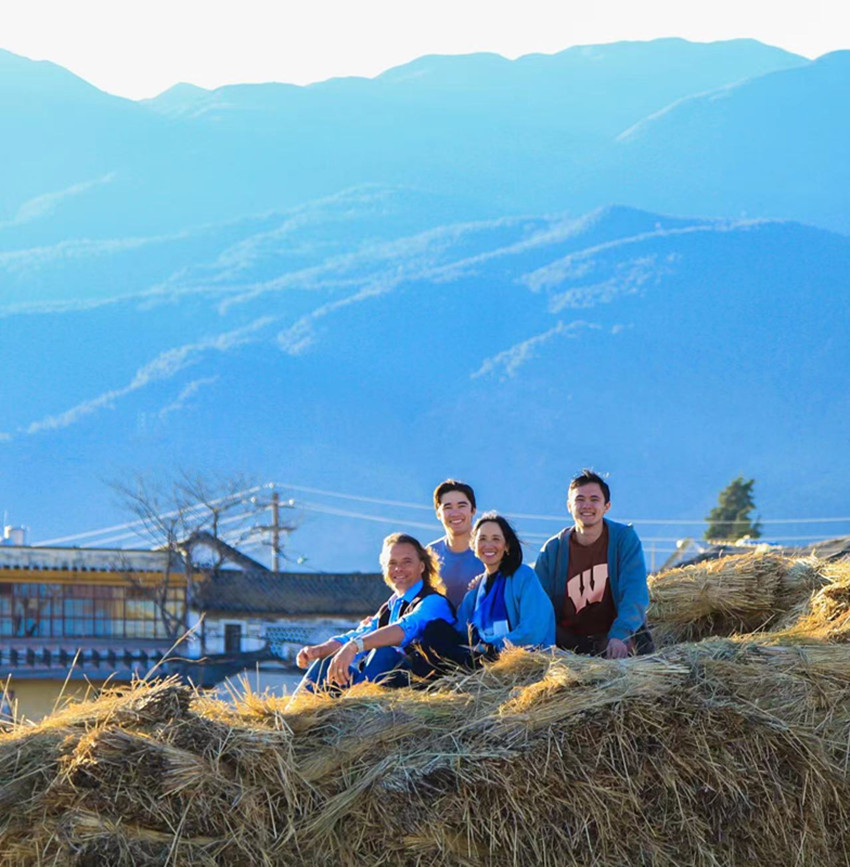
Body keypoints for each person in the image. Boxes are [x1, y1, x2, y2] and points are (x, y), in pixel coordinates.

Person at [293, 533, 455, 694]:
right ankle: (293, 708)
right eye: (392, 563)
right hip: (381, 684)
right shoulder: (389, 608)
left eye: (407, 562)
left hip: (417, 687)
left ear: (422, 566)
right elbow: (356, 636)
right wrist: (318, 651)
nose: (398, 569)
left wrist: (354, 646)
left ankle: (355, 705)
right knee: (326, 662)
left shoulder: (433, 602)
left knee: (384, 652)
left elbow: (404, 629)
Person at [534, 470, 652, 659]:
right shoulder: (553, 550)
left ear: (607, 506)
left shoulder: (624, 540)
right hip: (567, 641)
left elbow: (634, 593)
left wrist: (620, 634)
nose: (586, 505)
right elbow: (537, 603)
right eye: (579, 499)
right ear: (569, 506)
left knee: (629, 654)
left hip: (613, 636)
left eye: (594, 499)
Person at [424, 512, 554, 666]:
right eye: (482, 539)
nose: (488, 545)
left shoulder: (523, 576)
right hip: (479, 658)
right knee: (435, 629)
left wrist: (490, 648)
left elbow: (533, 630)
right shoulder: (476, 591)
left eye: (496, 539)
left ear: (507, 546)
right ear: (474, 546)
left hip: (515, 659)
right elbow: (461, 631)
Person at [428, 479, 484, 607]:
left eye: (461, 506)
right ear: (438, 514)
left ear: (473, 510)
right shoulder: (431, 553)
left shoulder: (490, 550)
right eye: (448, 507)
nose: (455, 513)